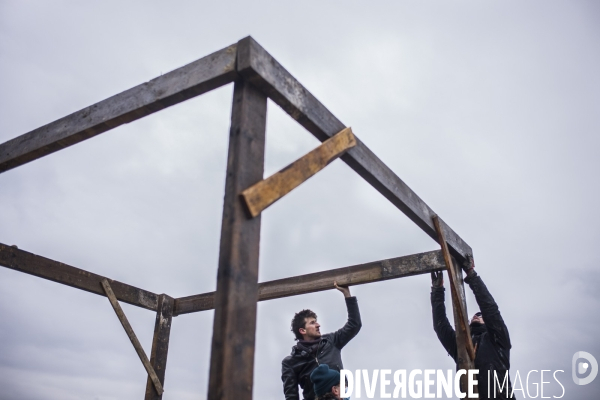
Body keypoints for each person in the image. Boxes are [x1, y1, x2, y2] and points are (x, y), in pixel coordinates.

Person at [430, 260, 514, 399]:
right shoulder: (461, 346)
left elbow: (491, 310)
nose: (476, 315)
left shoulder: (498, 340)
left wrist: (472, 276)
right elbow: (441, 327)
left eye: (480, 315)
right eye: (474, 315)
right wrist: (437, 291)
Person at [282, 282, 361, 400]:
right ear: (302, 330)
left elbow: (354, 325)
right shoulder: (291, 362)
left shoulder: (331, 341)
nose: (318, 325)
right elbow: (291, 396)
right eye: (312, 323)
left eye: (316, 321)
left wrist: (347, 294)